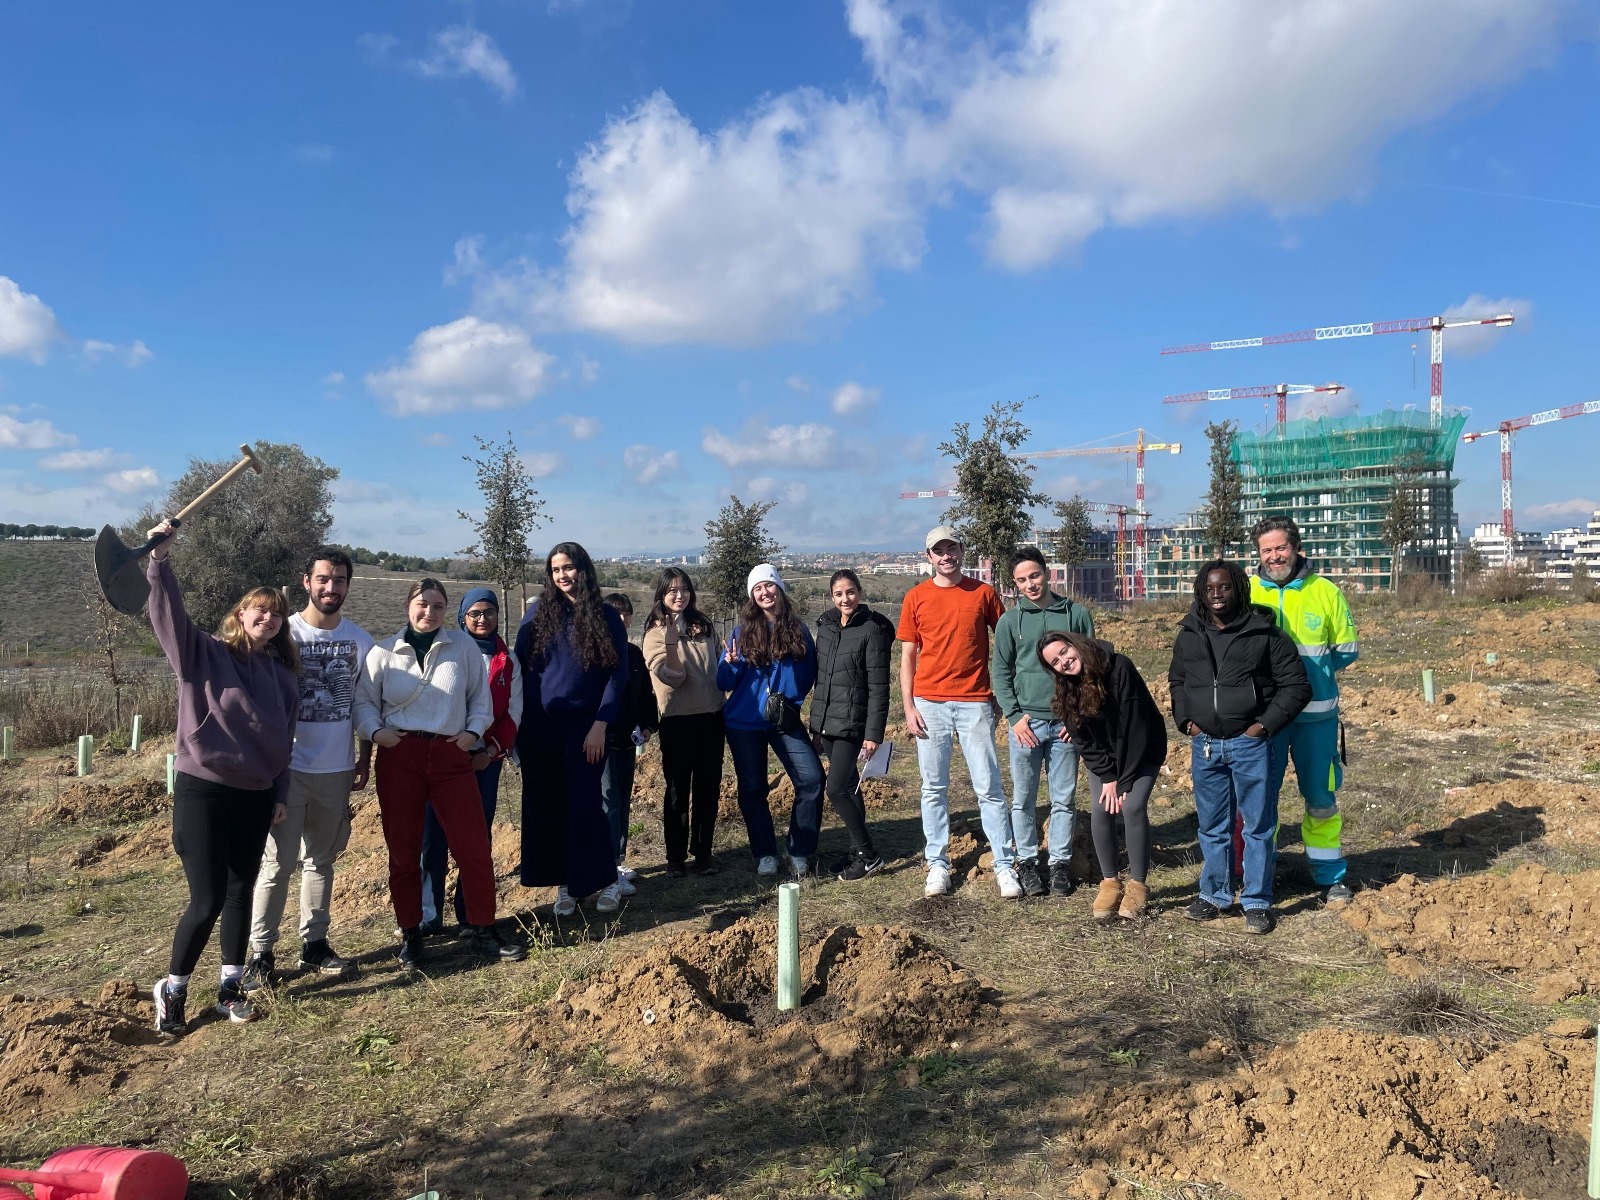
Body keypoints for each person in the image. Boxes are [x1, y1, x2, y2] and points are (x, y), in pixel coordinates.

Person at [144, 519, 299, 1034]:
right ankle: (174, 988)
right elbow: (168, 618)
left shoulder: (283, 678)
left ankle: (230, 988)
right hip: (204, 790)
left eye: (277, 614)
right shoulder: (204, 653)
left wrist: (278, 794)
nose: (269, 618)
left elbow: (285, 744)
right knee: (207, 897)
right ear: (241, 613)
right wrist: (160, 561)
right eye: (261, 609)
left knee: (240, 890)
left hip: (256, 795)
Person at [353, 578, 525, 967]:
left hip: (451, 755)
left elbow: (479, 700)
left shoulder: (461, 646)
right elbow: (364, 703)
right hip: (401, 755)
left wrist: (470, 733)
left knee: (473, 846)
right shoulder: (384, 651)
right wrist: (377, 732)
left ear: (447, 611)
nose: (428, 611)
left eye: (436, 605)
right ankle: (411, 933)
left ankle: (482, 928)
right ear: (407, 605)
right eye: (421, 603)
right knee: (404, 849)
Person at [243, 547, 373, 993]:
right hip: (286, 770)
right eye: (323, 579)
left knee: (321, 860)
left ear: (347, 586)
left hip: (335, 769)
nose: (330, 588)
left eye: (338, 581)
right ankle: (260, 954)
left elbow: (362, 704)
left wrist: (364, 758)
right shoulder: (283, 635)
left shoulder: (361, 641)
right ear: (306, 582)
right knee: (276, 863)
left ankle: (314, 944)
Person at [1168, 560, 1310, 935]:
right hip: (1207, 747)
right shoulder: (1189, 634)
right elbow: (1178, 680)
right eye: (1210, 588)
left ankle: (1257, 900)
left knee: (1258, 825)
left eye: (1225, 587)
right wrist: (1187, 722)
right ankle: (1214, 894)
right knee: (1212, 825)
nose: (1217, 594)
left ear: (1239, 590)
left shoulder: (1266, 634)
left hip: (1250, 745)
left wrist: (1262, 727)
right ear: (1201, 591)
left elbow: (1296, 687)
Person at [1249, 515, 1360, 904]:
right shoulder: (1247, 593)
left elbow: (1345, 651)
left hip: (1316, 718)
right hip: (1266, 719)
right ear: (1258, 554)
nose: (1275, 556)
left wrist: (1313, 677)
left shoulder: (1325, 592)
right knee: (1262, 800)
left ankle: (1330, 876)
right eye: (1267, 550)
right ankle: (1262, 874)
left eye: (1281, 547)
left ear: (1296, 548)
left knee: (1321, 799)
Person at [516, 543, 629, 916]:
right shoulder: (537, 615)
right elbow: (522, 671)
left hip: (586, 729)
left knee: (585, 805)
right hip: (541, 730)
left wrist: (600, 724)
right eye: (555, 570)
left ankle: (606, 879)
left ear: (584, 569)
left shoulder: (606, 617)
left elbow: (618, 674)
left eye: (569, 567)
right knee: (551, 808)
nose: (562, 575)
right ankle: (567, 884)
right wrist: (519, 732)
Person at [898, 526, 1010, 899]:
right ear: (928, 556)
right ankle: (938, 864)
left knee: (989, 786)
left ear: (962, 551)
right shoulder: (916, 597)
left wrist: (1001, 691)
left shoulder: (983, 593)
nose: (946, 556)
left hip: (975, 701)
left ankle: (1005, 864)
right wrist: (909, 706)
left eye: (952, 549)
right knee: (933, 788)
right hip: (929, 703)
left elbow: (1007, 641)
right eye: (938, 551)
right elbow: (908, 658)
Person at [1038, 632, 1166, 921]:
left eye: (1064, 652)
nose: (1063, 662)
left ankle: (1138, 884)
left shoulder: (1120, 667)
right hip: (1105, 758)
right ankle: (1110, 881)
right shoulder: (1067, 687)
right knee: (1101, 808)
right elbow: (1081, 737)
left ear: (1075, 645)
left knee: (1132, 806)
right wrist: (1108, 775)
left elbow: (1136, 727)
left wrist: (1124, 780)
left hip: (1141, 750)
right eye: (1055, 662)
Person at [991, 546, 1095, 898]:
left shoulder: (1076, 614)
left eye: (1034, 576)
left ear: (1047, 573)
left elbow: (1091, 667)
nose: (1029, 584)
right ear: (1015, 584)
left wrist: (1077, 714)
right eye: (1021, 580)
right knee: (1023, 798)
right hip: (1026, 726)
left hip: (1066, 723)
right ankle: (1028, 862)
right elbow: (1001, 673)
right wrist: (1015, 717)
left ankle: (1060, 863)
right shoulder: (1009, 622)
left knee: (1063, 797)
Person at [418, 587, 522, 934]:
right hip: (442, 760)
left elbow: (511, 714)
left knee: (475, 839)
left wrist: (490, 752)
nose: (482, 619)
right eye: (475, 613)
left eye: (488, 612)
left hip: (483, 764)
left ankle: (469, 914)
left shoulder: (508, 661)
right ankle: (428, 915)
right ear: (462, 617)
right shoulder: (445, 653)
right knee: (433, 837)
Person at [717, 564, 825, 879]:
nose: (765, 592)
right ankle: (765, 852)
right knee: (753, 790)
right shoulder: (740, 633)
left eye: (770, 586)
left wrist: (789, 701)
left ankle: (799, 849)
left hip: (783, 720)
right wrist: (731, 664)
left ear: (779, 589)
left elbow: (808, 675)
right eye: (758, 588)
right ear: (752, 596)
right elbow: (723, 682)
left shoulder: (798, 630)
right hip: (743, 723)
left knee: (812, 779)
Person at [808, 569, 893, 881]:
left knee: (836, 790)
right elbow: (822, 680)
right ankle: (855, 850)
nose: (845, 598)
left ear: (859, 592)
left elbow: (879, 687)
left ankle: (869, 856)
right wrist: (816, 726)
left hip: (853, 725)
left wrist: (873, 735)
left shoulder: (872, 631)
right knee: (849, 787)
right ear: (832, 597)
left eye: (850, 592)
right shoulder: (826, 629)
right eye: (839, 594)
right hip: (827, 723)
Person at [641, 569, 725, 877]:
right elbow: (672, 678)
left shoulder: (703, 626)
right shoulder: (655, 634)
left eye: (685, 589)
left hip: (713, 719)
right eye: (673, 590)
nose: (680, 595)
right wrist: (673, 643)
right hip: (677, 722)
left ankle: (703, 854)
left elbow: (720, 664)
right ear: (662, 596)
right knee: (677, 791)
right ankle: (675, 858)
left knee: (708, 788)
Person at [599, 592, 659, 895]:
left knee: (622, 800)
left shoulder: (633, 654)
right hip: (602, 742)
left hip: (628, 740)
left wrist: (649, 725)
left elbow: (646, 695)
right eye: (615, 614)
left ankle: (618, 860)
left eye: (626, 614)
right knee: (608, 800)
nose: (622, 619)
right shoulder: (595, 654)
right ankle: (607, 866)